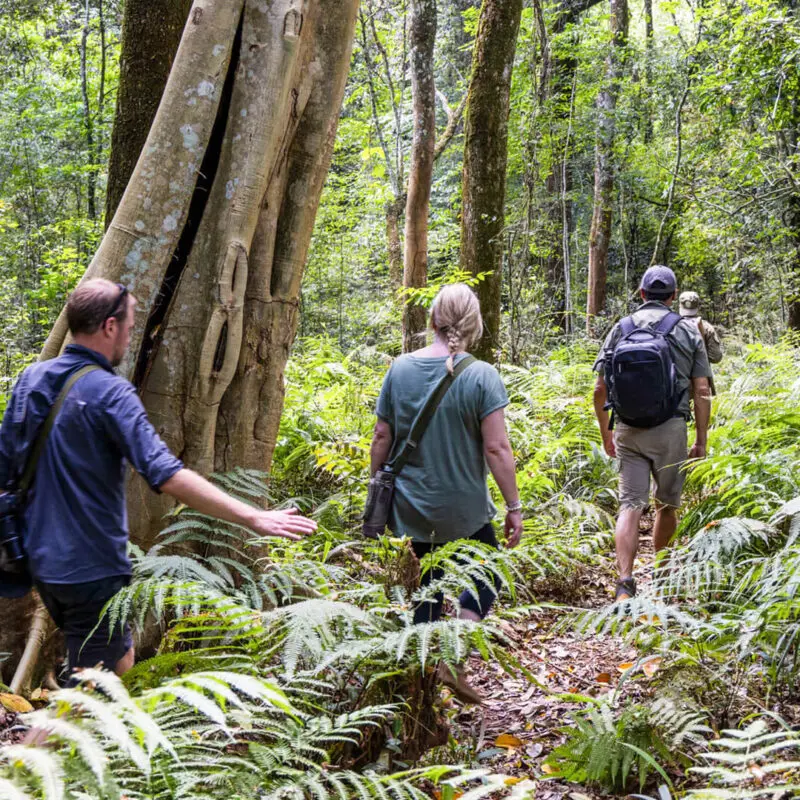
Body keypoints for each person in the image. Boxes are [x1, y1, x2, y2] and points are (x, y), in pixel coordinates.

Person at [0, 279, 317, 679]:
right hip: (90, 566)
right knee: (91, 689)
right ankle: (43, 741)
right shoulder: (110, 393)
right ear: (109, 327)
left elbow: (4, 465)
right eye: (130, 328)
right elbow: (167, 474)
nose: (131, 338)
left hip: (38, 559)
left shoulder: (31, 380)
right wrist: (254, 518)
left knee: (117, 658)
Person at [368, 283, 522, 703]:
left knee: (427, 589)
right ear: (474, 325)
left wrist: (375, 486)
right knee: (487, 574)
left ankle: (419, 684)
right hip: (465, 510)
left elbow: (382, 435)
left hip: (410, 508)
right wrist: (514, 506)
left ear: (433, 321)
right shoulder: (482, 375)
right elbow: (496, 447)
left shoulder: (399, 369)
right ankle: (452, 661)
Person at [592, 267, 712, 601]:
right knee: (666, 506)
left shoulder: (621, 328)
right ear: (673, 297)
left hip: (627, 428)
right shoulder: (687, 331)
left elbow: (599, 390)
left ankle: (625, 583)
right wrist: (700, 439)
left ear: (641, 294)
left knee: (630, 505)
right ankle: (662, 579)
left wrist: (606, 435)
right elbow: (701, 389)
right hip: (671, 429)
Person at [679, 291, 723, 364]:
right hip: (702, 373)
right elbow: (716, 357)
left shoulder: (672, 326)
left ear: (680, 306)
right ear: (698, 307)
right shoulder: (707, 328)